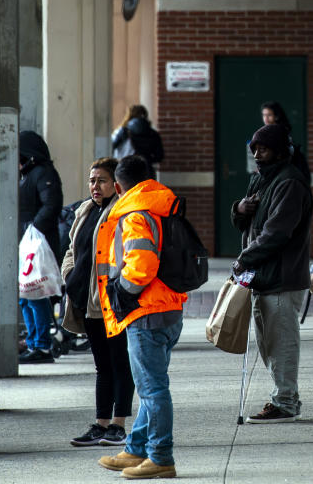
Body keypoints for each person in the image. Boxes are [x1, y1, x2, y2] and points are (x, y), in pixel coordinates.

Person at [95, 155, 186, 479]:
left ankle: (161, 457)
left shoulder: (134, 214)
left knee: (153, 390)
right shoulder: (163, 207)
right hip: (169, 309)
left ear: (119, 186)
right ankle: (135, 450)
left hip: (146, 313)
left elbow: (142, 264)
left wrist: (122, 292)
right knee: (152, 385)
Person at [230, 124, 313, 423]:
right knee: (268, 344)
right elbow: (245, 225)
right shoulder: (261, 181)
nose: (256, 154)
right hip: (262, 277)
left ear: (279, 150)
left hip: (282, 277)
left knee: (281, 343)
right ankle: (283, 396)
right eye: (254, 149)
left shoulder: (289, 183)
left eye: (262, 149)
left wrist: (244, 258)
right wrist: (239, 209)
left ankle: (286, 402)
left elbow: (277, 233)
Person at [60, 158, 135, 448]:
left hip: (111, 302)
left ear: (115, 184)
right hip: (88, 301)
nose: (95, 186)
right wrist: (70, 274)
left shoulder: (122, 212)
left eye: (102, 180)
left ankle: (118, 425)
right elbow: (71, 249)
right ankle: (101, 423)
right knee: (102, 365)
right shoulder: (85, 210)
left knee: (120, 363)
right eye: (92, 180)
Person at [18, 130, 64, 364]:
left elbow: (52, 204)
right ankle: (35, 342)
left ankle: (42, 346)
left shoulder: (43, 173)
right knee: (25, 296)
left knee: (36, 295)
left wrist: (33, 228)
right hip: (26, 243)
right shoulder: (26, 174)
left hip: (38, 244)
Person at [259, 100, 311, 180]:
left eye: (269, 115)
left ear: (276, 116)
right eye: (264, 115)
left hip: (282, 173)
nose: (266, 118)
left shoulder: (280, 132)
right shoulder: (266, 131)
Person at [111, 105, 164, 170]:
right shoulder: (153, 133)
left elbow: (111, 147)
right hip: (146, 169)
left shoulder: (123, 131)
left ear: (129, 115)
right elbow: (159, 156)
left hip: (125, 168)